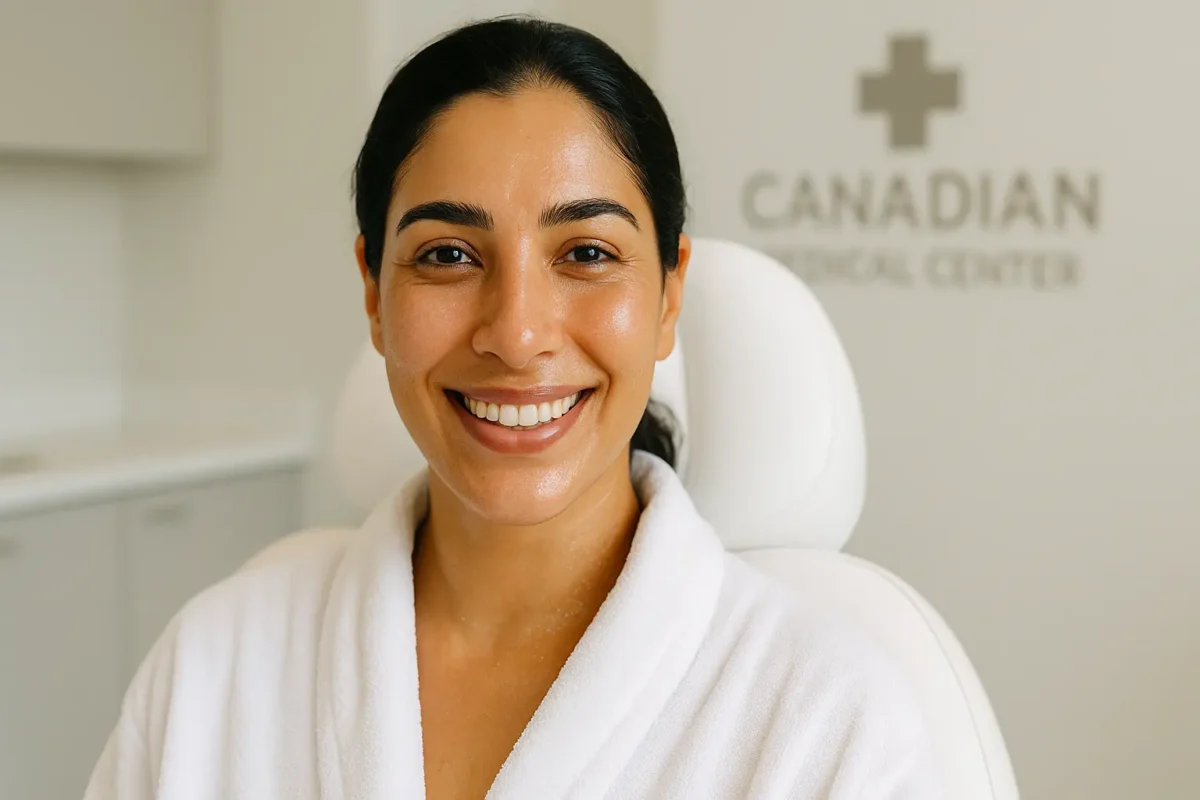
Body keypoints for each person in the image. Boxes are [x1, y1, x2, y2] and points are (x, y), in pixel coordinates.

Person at [84, 16, 937, 800]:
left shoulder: (832, 720)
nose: (518, 333)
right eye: (449, 254)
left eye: (588, 252)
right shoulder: (214, 668)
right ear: (374, 296)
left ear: (671, 296)